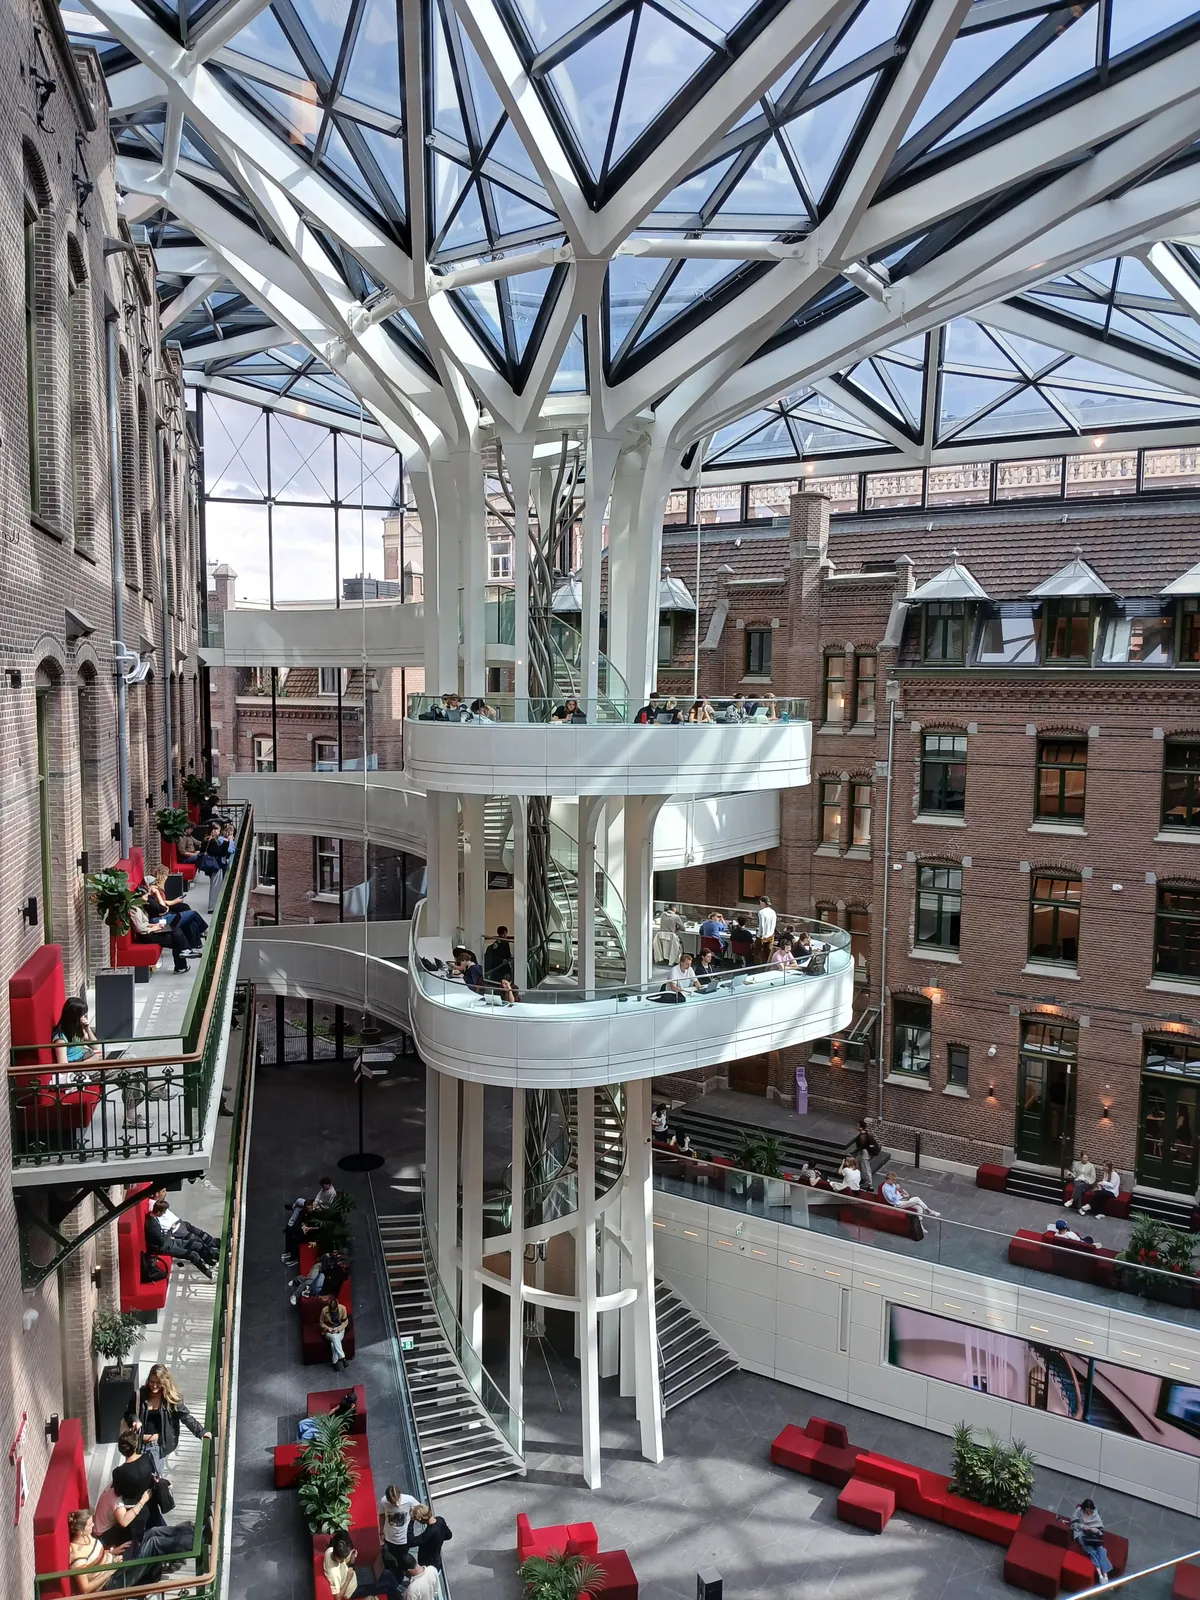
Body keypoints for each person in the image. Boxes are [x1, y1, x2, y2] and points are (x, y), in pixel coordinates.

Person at [123, 1364, 211, 1478]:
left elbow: (185, 1417)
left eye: (158, 1383)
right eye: (152, 1382)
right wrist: (135, 1420)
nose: (154, 1386)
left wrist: (201, 1432)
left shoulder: (171, 1399)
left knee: (154, 1479)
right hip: (137, 1445)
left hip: (156, 1446)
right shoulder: (139, 1396)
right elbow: (128, 1413)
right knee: (137, 1477)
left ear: (165, 1382)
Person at [322, 1531, 404, 1598]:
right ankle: (401, 1593)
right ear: (337, 1556)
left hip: (353, 1574)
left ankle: (399, 1590)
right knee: (388, 1583)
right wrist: (348, 1578)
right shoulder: (334, 1574)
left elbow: (342, 1564)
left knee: (386, 1574)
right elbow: (338, 1597)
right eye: (343, 1558)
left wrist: (351, 1560)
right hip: (353, 1589)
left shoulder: (330, 1550)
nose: (344, 1559)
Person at [146, 1199, 213, 1279]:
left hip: (170, 1241)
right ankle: (211, 1275)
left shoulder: (154, 1217)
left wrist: (169, 1234)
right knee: (194, 1255)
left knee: (198, 1245)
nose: (164, 1214)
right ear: (159, 1212)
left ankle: (212, 1263)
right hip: (166, 1247)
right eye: (163, 1212)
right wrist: (170, 1231)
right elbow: (161, 1242)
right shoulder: (153, 1226)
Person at [150, 1189, 221, 1264]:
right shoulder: (153, 1205)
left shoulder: (159, 1203)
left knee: (200, 1233)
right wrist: (169, 1232)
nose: (166, 1193)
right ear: (157, 1194)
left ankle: (215, 1243)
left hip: (181, 1223)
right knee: (197, 1240)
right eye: (163, 1192)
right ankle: (214, 1255)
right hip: (177, 1229)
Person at [145, 868, 208, 952]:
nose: (155, 884)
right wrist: (157, 893)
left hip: (163, 917)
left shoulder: (151, 896)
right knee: (193, 913)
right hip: (160, 920)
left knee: (189, 919)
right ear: (149, 886)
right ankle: (204, 931)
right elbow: (163, 910)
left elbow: (163, 907)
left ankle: (194, 945)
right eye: (153, 883)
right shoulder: (151, 897)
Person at [68, 1508, 128, 1593]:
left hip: (115, 1563)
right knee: (153, 1542)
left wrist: (112, 1551)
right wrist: (109, 1572)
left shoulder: (87, 1536)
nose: (93, 1525)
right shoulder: (78, 1556)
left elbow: (96, 1556)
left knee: (152, 1534)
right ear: (80, 1531)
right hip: (109, 1583)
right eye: (89, 1525)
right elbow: (85, 1588)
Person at [129, 900, 191, 974]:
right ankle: (182, 960)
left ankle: (185, 952)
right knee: (176, 939)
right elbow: (140, 928)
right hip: (146, 936)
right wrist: (153, 928)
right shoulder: (134, 910)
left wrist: (155, 925)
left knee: (175, 930)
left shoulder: (139, 907)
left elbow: (145, 923)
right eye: (146, 895)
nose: (148, 897)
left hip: (149, 931)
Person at [378, 1483, 420, 1575]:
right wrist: (381, 1532)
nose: (396, 1505)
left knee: (403, 1557)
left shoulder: (409, 1500)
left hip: (404, 1539)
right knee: (393, 1554)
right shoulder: (383, 1501)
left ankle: (404, 1570)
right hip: (390, 1537)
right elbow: (381, 1515)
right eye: (392, 1503)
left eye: (397, 1501)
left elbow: (420, 1509)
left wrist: (413, 1520)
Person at [1071, 1498, 1114, 1586]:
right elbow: (1073, 1525)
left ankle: (1105, 1576)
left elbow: (1101, 1530)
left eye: (1090, 1511)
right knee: (1092, 1552)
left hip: (1094, 1537)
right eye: (1087, 1511)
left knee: (1101, 1550)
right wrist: (1082, 1526)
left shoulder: (1095, 1515)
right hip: (1082, 1534)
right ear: (1084, 1508)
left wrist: (1094, 1530)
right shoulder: (1078, 1512)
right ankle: (1100, 1575)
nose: (1089, 1512)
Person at [407, 1504, 452, 1571]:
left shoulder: (429, 1533)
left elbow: (411, 1541)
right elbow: (449, 1536)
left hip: (427, 1565)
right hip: (436, 1560)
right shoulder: (440, 1520)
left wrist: (411, 1522)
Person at [320, 1292, 352, 1370]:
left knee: (333, 1344)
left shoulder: (343, 1308)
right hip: (329, 1331)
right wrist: (328, 1328)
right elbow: (321, 1323)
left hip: (339, 1329)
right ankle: (343, 1358)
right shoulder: (324, 1310)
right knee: (334, 1338)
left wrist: (338, 1330)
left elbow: (345, 1322)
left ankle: (335, 1362)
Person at [853, 1119, 880, 1192]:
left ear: (861, 1128)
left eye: (858, 1125)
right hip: (862, 1152)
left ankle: (869, 1184)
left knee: (866, 1167)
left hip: (864, 1153)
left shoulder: (863, 1136)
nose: (856, 1126)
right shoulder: (863, 1135)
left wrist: (854, 1152)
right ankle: (862, 1180)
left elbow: (862, 1146)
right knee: (861, 1167)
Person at [755, 895, 777, 962]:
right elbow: (774, 924)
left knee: (757, 953)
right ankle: (768, 967)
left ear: (763, 902)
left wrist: (761, 935)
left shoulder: (761, 912)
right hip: (770, 935)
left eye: (760, 902)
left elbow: (761, 925)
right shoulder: (773, 912)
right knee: (769, 953)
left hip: (763, 936)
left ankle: (758, 968)